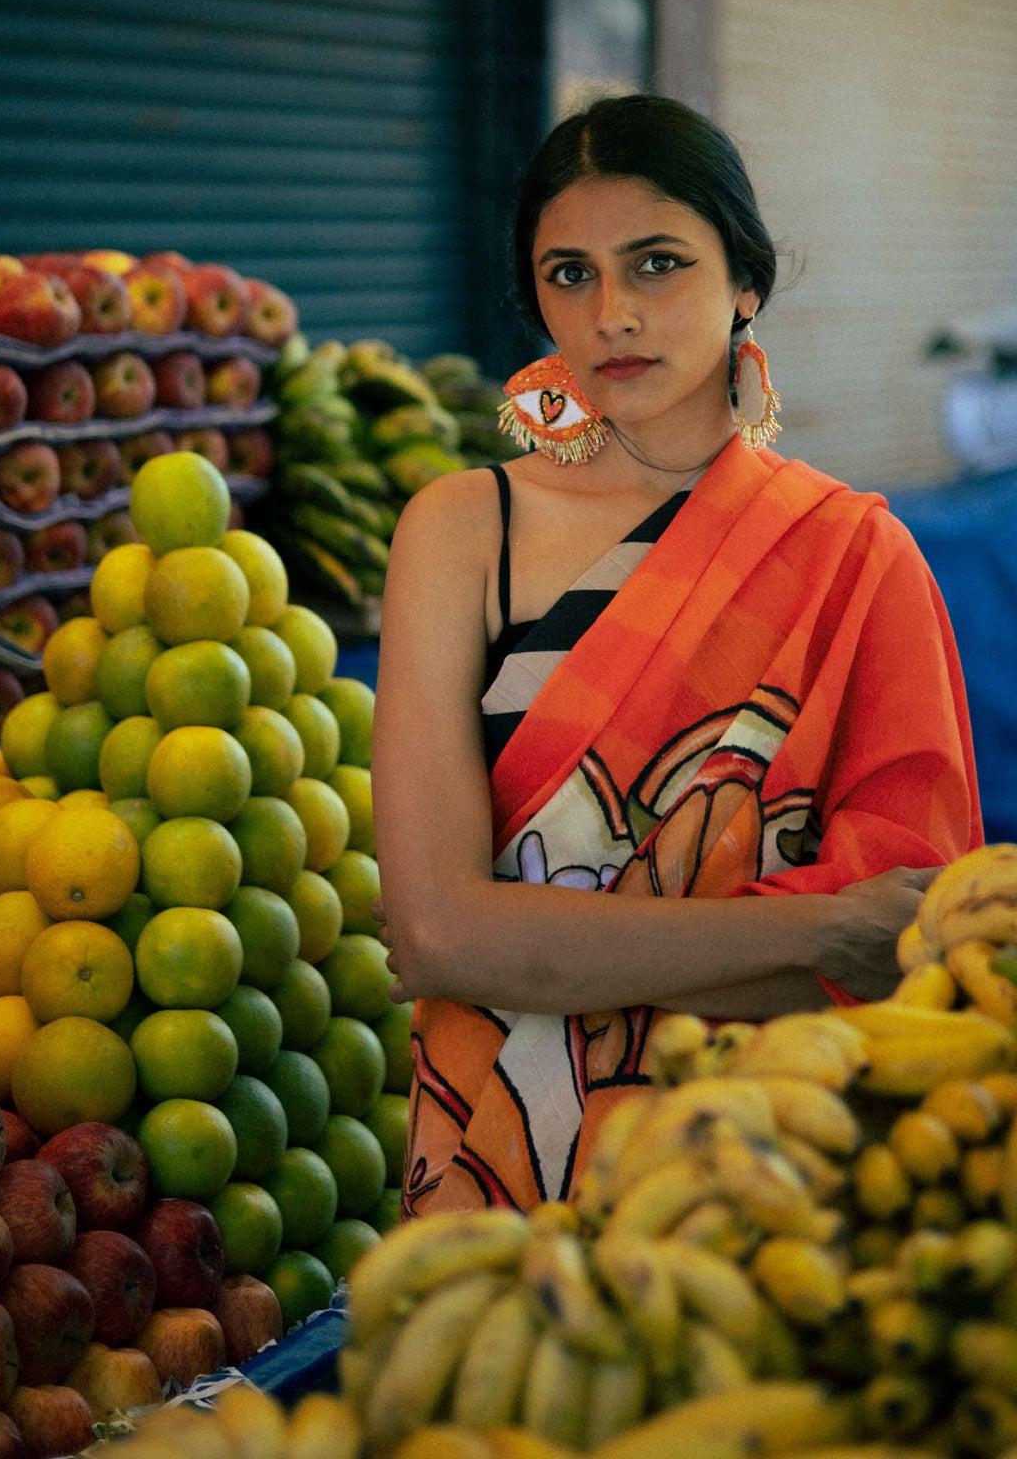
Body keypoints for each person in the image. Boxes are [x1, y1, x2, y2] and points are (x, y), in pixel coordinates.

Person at [374, 94, 981, 1217]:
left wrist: (546, 945)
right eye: (569, 273)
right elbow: (435, 931)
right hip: (491, 1193)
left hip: (766, 1181)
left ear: (743, 281)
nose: (610, 312)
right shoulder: (462, 531)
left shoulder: (854, 558)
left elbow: (905, 941)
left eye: (655, 263)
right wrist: (809, 923)